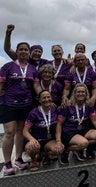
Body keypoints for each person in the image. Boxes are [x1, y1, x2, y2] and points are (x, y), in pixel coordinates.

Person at [0, 42, 41, 176]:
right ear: (17, 52)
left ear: (29, 53)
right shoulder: (8, 66)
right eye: (21, 49)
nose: (23, 51)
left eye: (26, 50)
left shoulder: (32, 69)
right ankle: (7, 163)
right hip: (9, 104)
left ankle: (18, 158)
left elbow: (36, 86)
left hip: (26, 104)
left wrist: (43, 95)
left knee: (20, 131)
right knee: (9, 132)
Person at [55, 83, 96, 164]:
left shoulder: (88, 105)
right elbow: (59, 124)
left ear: (86, 94)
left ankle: (75, 148)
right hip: (69, 131)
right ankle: (66, 150)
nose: (80, 94)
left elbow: (94, 120)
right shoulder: (67, 105)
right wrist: (58, 141)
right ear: (74, 93)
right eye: (78, 92)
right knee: (84, 143)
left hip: (82, 130)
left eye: (83, 92)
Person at [23, 90, 62, 171]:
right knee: (32, 147)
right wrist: (31, 139)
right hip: (37, 140)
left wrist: (59, 141)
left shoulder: (55, 108)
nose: (46, 99)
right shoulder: (33, 113)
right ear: (39, 100)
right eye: (44, 98)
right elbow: (25, 131)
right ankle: (33, 160)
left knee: (59, 149)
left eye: (48, 97)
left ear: (51, 98)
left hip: (49, 140)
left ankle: (46, 155)